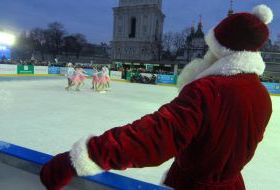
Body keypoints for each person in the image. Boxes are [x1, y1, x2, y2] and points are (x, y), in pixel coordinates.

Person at [40, 5, 273, 190]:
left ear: (221, 48)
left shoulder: (208, 90)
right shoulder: (262, 95)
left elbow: (153, 136)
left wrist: (83, 157)